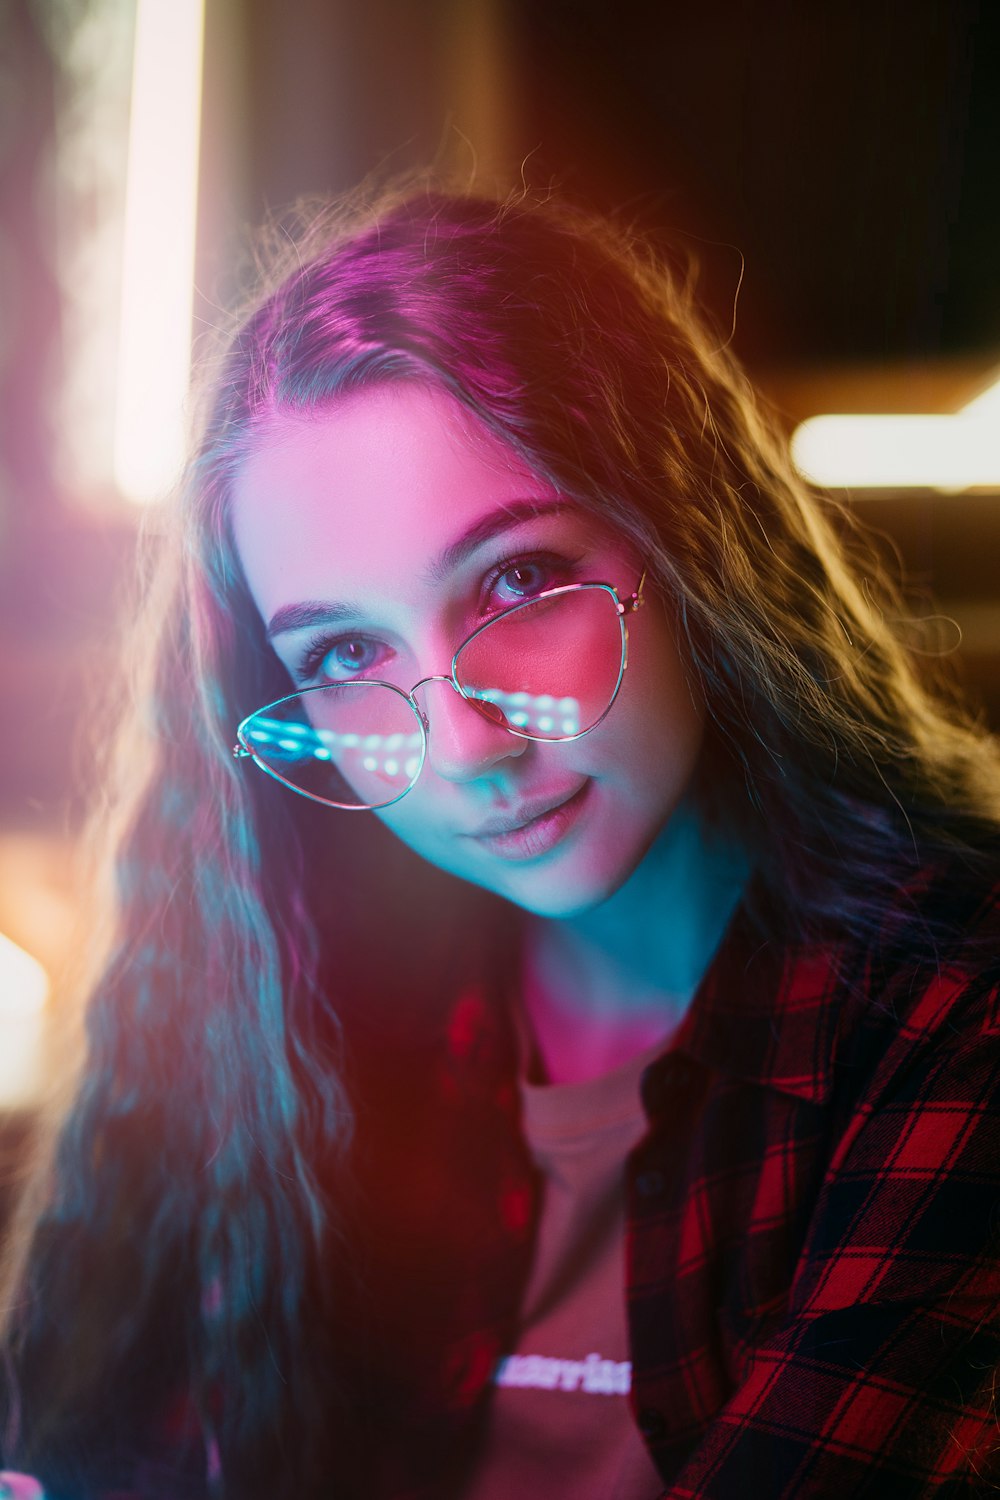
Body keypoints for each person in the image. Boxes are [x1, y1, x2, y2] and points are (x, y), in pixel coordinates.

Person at [2, 178, 1000, 1500]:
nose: (464, 743)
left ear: (688, 539)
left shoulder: (956, 1010)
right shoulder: (303, 1028)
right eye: (346, 652)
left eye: (517, 580)